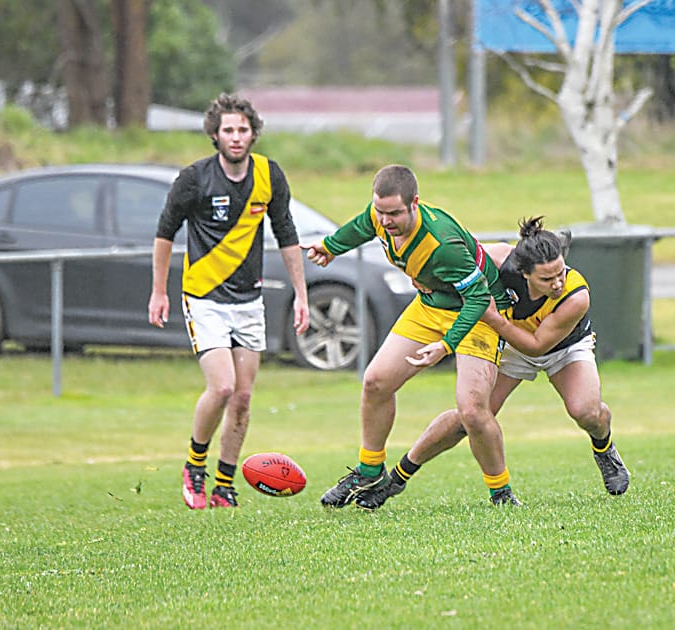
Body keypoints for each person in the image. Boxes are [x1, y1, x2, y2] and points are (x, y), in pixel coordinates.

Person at [358, 216, 629, 510]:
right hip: (512, 344)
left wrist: (492, 318)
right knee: (472, 416)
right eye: (547, 279)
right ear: (524, 273)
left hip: (563, 348)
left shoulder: (576, 296)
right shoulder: (499, 260)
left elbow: (537, 345)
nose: (557, 283)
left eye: (561, 272)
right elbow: (454, 259)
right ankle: (397, 478)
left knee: (586, 412)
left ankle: (604, 448)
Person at [302, 164, 521, 508]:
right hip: (431, 306)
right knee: (375, 382)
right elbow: (362, 226)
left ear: (414, 203)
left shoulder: (441, 244)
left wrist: (446, 345)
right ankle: (369, 470)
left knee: (473, 411)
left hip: (480, 313)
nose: (386, 221)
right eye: (381, 211)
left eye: (394, 213)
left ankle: (501, 494)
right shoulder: (379, 216)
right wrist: (331, 247)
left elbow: (478, 297)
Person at [148, 93, 309, 509]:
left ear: (253, 133)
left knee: (243, 397)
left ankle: (224, 484)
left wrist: (302, 295)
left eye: (242, 129)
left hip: (248, 299)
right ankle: (194, 466)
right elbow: (164, 233)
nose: (235, 137)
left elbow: (287, 235)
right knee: (221, 387)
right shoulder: (194, 179)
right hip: (203, 296)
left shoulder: (268, 176)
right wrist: (159, 291)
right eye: (227, 130)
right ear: (215, 136)